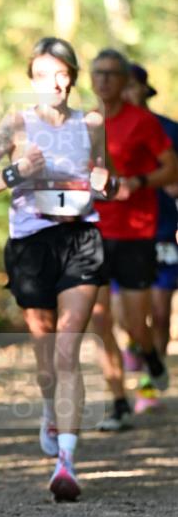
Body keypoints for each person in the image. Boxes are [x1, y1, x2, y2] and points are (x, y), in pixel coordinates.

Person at [0, 37, 115, 501]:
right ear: (30, 80)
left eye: (60, 73)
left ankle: (66, 461)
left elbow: (105, 182)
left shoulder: (92, 123)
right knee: (48, 358)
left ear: (72, 75)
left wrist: (105, 184)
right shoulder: (15, 124)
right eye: (40, 75)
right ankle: (50, 405)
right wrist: (16, 173)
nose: (52, 82)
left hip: (81, 240)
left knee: (69, 349)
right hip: (31, 244)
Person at [89, 49, 178, 431]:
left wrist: (138, 183)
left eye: (112, 73)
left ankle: (152, 359)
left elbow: (171, 167)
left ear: (126, 81)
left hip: (137, 229)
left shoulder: (143, 122)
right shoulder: (86, 123)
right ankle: (119, 401)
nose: (104, 80)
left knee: (133, 322)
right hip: (92, 229)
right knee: (99, 318)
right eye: (98, 73)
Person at [118, 63, 178, 412]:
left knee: (159, 309)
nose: (125, 92)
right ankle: (142, 355)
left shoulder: (169, 129)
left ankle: (148, 383)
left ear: (144, 89)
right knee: (125, 313)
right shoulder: (103, 128)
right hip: (121, 230)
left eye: (131, 85)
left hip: (162, 228)